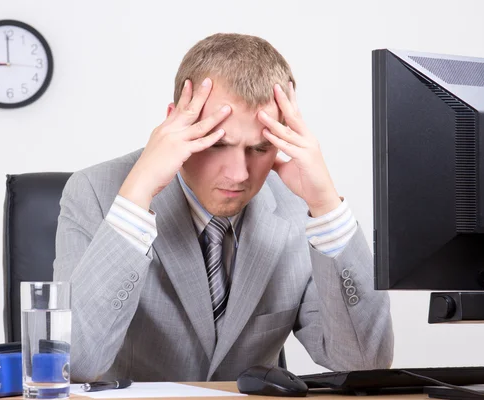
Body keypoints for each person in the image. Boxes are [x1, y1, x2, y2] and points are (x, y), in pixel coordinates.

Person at [53, 33, 393, 383]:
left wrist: (327, 209)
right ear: (175, 124)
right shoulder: (95, 192)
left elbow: (365, 363)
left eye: (260, 149)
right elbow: (75, 362)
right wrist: (137, 198)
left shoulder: (299, 210)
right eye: (216, 144)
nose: (239, 174)